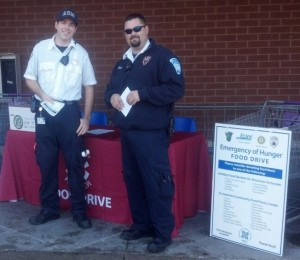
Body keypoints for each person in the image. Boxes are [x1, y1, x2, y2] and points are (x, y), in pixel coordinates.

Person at [104, 13, 185, 253]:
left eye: (136, 29)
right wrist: (112, 97)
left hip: (151, 136)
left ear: (147, 29)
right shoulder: (122, 63)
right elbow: (108, 90)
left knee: (156, 184)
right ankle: (141, 226)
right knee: (134, 182)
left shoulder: (163, 57)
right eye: (128, 31)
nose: (133, 34)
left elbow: (176, 88)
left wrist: (143, 94)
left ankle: (162, 233)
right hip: (127, 134)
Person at [23, 8, 97, 229]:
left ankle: (79, 212)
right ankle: (49, 209)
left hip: (70, 113)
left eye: (71, 24)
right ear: (55, 25)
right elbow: (29, 78)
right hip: (45, 110)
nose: (67, 27)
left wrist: (86, 117)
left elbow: (89, 86)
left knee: (75, 164)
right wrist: (44, 96)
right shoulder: (40, 49)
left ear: (75, 28)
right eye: (63, 23)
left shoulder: (81, 53)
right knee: (46, 163)